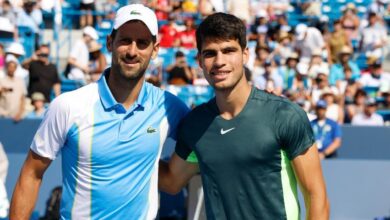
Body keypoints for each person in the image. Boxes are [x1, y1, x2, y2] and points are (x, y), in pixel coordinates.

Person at [10, 4, 189, 219]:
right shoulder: (69, 105)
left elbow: (206, 139)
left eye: (142, 43)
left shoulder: (168, 105)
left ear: (155, 50)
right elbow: (31, 174)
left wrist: (187, 166)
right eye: (125, 40)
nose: (132, 51)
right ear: (109, 42)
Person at [159, 12, 329, 219]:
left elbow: (316, 196)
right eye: (210, 53)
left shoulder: (284, 115)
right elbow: (171, 181)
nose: (219, 61)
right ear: (200, 61)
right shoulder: (196, 123)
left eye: (228, 50)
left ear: (245, 55)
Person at [0, 55, 26, 121]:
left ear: (15, 68)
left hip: (16, 116)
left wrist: (20, 113)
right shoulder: (2, 81)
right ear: (7, 68)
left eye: (13, 67)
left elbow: (22, 99)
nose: (11, 69)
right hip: (3, 115)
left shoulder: (20, 81)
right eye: (10, 67)